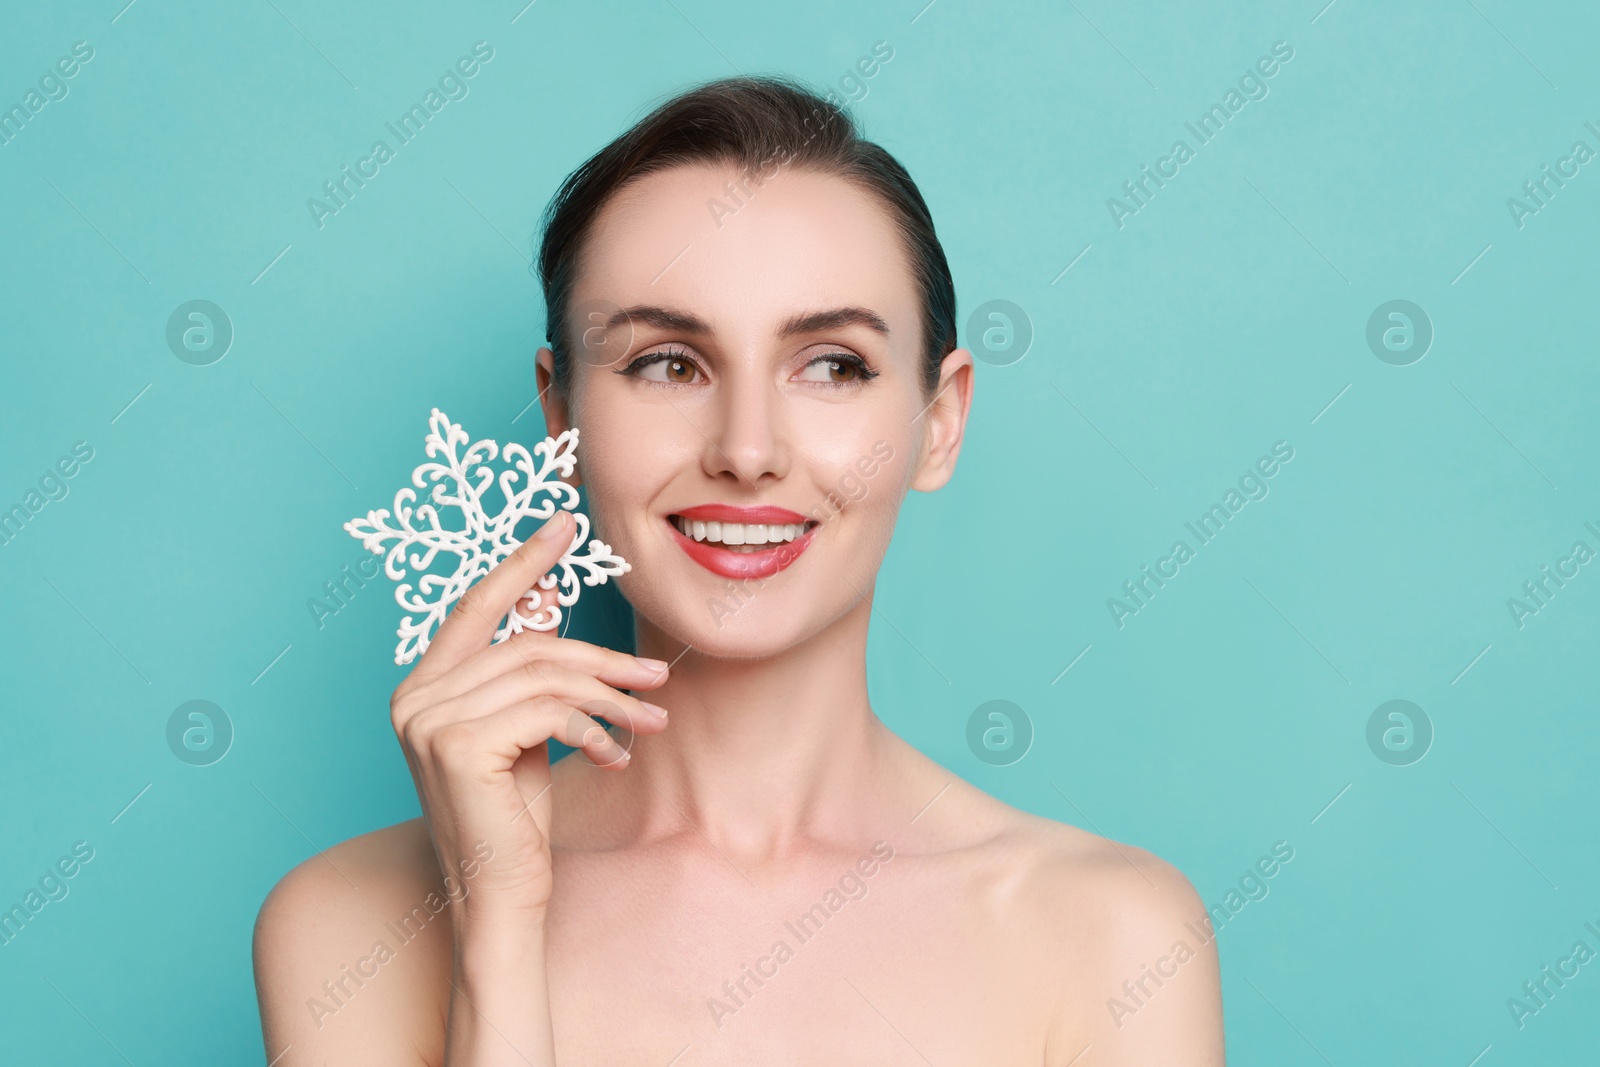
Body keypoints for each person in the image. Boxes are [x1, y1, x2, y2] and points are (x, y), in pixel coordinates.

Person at [253, 74, 1224, 1065]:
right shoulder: (351, 927)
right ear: (561, 419)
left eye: (832, 364)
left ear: (941, 421)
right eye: (668, 362)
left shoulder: (1110, 935)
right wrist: (496, 930)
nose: (747, 449)